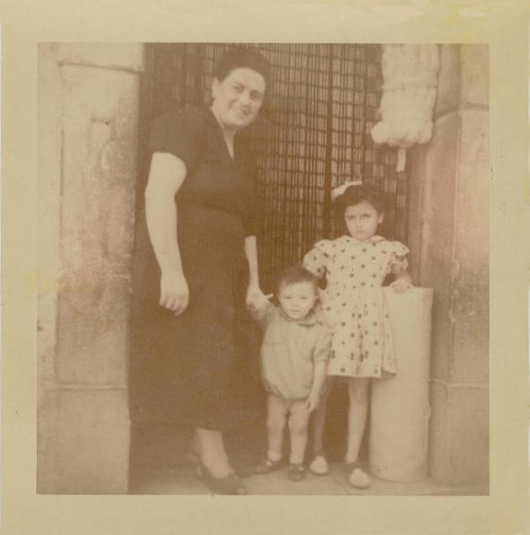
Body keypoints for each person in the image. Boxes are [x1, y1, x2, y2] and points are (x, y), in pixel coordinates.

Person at [129, 47, 272, 495]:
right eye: (237, 88)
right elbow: (158, 194)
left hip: (226, 280)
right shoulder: (187, 124)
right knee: (200, 362)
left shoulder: (243, 151)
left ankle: (204, 451)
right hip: (187, 273)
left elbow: (248, 226)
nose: (245, 100)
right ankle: (212, 459)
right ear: (214, 86)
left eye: (255, 95)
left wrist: (254, 284)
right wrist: (171, 271)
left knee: (220, 363)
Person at [303, 181, 412, 489]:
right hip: (334, 323)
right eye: (351, 217)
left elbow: (403, 274)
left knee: (359, 392)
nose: (358, 223)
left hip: (368, 328)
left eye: (365, 216)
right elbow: (305, 280)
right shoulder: (331, 248)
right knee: (322, 387)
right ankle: (316, 450)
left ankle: (352, 460)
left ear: (380, 216)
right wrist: (321, 295)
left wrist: (403, 280)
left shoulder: (388, 250)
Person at [251, 267, 330, 482]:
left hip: (302, 393)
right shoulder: (272, 317)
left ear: (315, 299)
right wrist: (257, 303)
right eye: (288, 297)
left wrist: (316, 393)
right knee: (273, 424)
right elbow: (254, 310)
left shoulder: (319, 329)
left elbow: (321, 363)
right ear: (278, 297)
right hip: (275, 391)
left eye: (303, 298)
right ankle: (273, 457)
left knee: (299, 427)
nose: (295, 304)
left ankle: (297, 462)